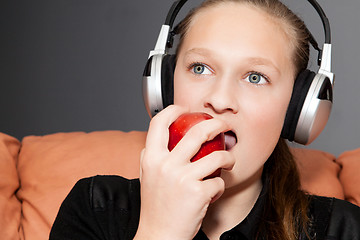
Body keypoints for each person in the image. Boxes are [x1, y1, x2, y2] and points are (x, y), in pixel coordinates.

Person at [49, 0, 360, 239]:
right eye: (200, 68)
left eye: (255, 77)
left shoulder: (343, 230)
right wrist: (162, 231)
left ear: (298, 109)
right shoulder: (95, 208)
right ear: (164, 86)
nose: (220, 100)